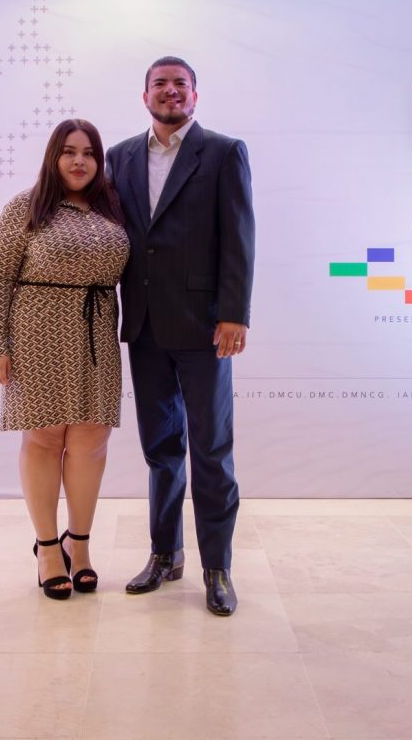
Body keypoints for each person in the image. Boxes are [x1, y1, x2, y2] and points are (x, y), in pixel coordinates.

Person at [105, 56, 255, 616]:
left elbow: (239, 235)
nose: (170, 91)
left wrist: (234, 313)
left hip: (205, 325)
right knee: (161, 449)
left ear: (195, 94)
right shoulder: (120, 156)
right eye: (160, 84)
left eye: (180, 84)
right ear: (144, 95)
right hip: (143, 324)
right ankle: (165, 555)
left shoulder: (222, 152)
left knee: (211, 450)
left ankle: (218, 568)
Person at [0, 119, 129, 600]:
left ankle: (78, 544)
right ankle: (47, 548)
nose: (79, 161)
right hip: (36, 330)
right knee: (44, 438)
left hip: (96, 331)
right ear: (53, 156)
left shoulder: (114, 208)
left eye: (89, 153)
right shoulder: (25, 207)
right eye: (69, 151)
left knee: (91, 440)